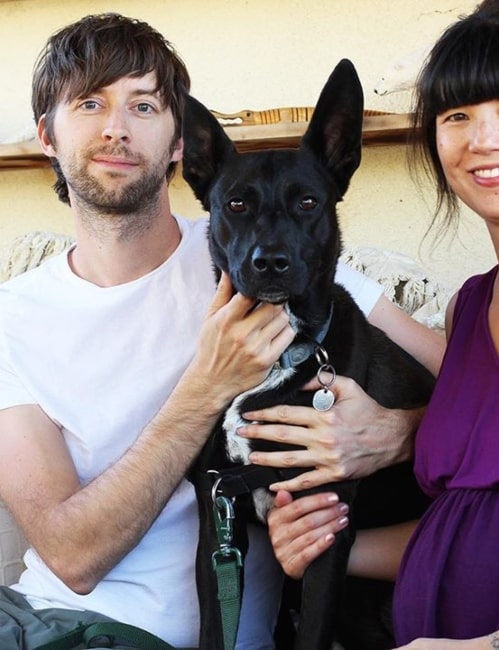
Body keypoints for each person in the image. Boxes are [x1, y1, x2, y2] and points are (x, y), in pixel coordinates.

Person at [0, 12, 443, 650]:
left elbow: (479, 389)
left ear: (183, 144)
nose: (116, 128)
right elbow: (73, 556)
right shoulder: (13, 317)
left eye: (144, 105)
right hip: (43, 619)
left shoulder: (277, 262)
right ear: (47, 134)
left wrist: (398, 433)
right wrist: (209, 384)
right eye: (90, 103)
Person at [260, 0, 499, 648]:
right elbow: (474, 527)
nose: (484, 138)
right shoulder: (469, 309)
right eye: (457, 115)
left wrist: (488, 649)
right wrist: (332, 545)